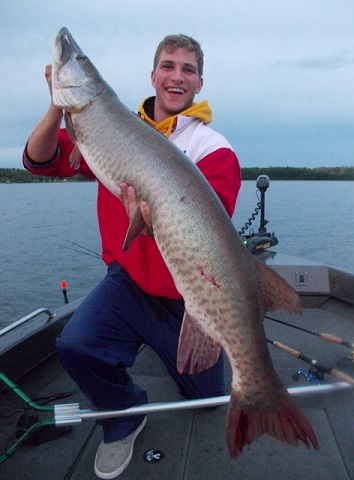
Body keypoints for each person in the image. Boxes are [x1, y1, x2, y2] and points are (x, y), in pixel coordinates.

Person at [23, 34, 241, 479]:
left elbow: (208, 235)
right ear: (153, 75)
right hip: (128, 282)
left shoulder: (214, 148)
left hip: (186, 298)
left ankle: (172, 354)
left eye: (187, 69)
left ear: (200, 82)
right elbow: (41, 161)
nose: (176, 76)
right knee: (75, 344)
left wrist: (151, 216)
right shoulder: (107, 124)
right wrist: (55, 106)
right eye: (168, 66)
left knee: (205, 397)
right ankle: (124, 416)